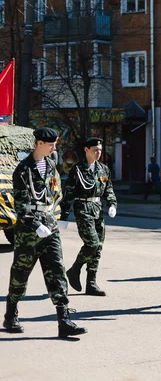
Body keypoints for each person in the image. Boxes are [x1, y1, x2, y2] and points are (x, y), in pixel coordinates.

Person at [3, 127, 87, 337]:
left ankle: (64, 319)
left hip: (48, 226)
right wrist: (35, 224)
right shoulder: (22, 170)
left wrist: (55, 215)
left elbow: (54, 190)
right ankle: (10, 314)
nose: (54, 147)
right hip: (28, 230)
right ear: (39, 143)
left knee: (57, 271)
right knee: (21, 274)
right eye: (52, 144)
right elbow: (20, 206)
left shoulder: (50, 165)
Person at [60, 137, 118, 296]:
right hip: (83, 207)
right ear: (86, 150)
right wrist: (64, 214)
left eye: (100, 150)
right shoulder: (77, 170)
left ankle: (91, 283)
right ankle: (74, 270)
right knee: (92, 243)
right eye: (95, 150)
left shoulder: (104, 169)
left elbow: (109, 189)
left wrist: (112, 203)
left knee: (98, 247)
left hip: (98, 208)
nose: (98, 153)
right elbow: (69, 192)